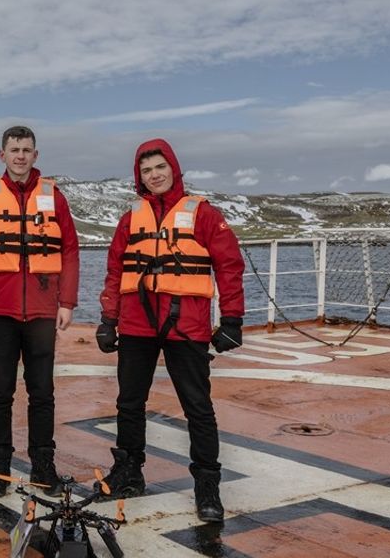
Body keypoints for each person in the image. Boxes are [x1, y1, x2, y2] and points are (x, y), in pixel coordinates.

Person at [95, 138, 245, 523]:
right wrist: (108, 320)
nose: (154, 175)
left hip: (187, 324)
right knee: (129, 403)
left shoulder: (204, 214)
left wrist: (232, 320)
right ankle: (129, 473)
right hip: (136, 322)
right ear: (139, 177)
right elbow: (116, 271)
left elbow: (229, 266)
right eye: (146, 171)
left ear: (173, 168)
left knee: (197, 406)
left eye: (159, 167)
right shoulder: (131, 218)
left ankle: (207, 486)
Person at [0, 125, 80, 498]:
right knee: (0, 392)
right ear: (3, 155)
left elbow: (70, 251)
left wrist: (67, 302)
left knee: (42, 392)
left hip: (44, 312)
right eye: (14, 149)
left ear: (36, 155)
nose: (20, 156)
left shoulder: (55, 198)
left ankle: (43, 466)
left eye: (27, 150)